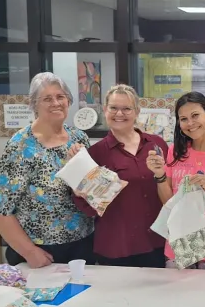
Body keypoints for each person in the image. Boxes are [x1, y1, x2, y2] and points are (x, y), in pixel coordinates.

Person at [0, 72, 94, 268]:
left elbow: (89, 187)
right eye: (47, 98)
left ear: (68, 101)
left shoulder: (79, 138)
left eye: (60, 97)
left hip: (82, 245)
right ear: (34, 105)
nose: (56, 103)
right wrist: (29, 251)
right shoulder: (21, 146)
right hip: (40, 251)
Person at [72, 84, 168, 268]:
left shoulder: (157, 145)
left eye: (126, 109)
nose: (119, 114)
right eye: (114, 108)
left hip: (156, 241)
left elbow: (170, 188)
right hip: (116, 247)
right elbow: (88, 209)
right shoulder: (95, 154)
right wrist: (84, 190)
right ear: (105, 110)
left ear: (137, 111)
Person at [146, 92, 205, 270]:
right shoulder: (175, 151)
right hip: (180, 243)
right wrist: (159, 175)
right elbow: (168, 202)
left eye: (195, 115)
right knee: (178, 297)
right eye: (183, 119)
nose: (190, 123)